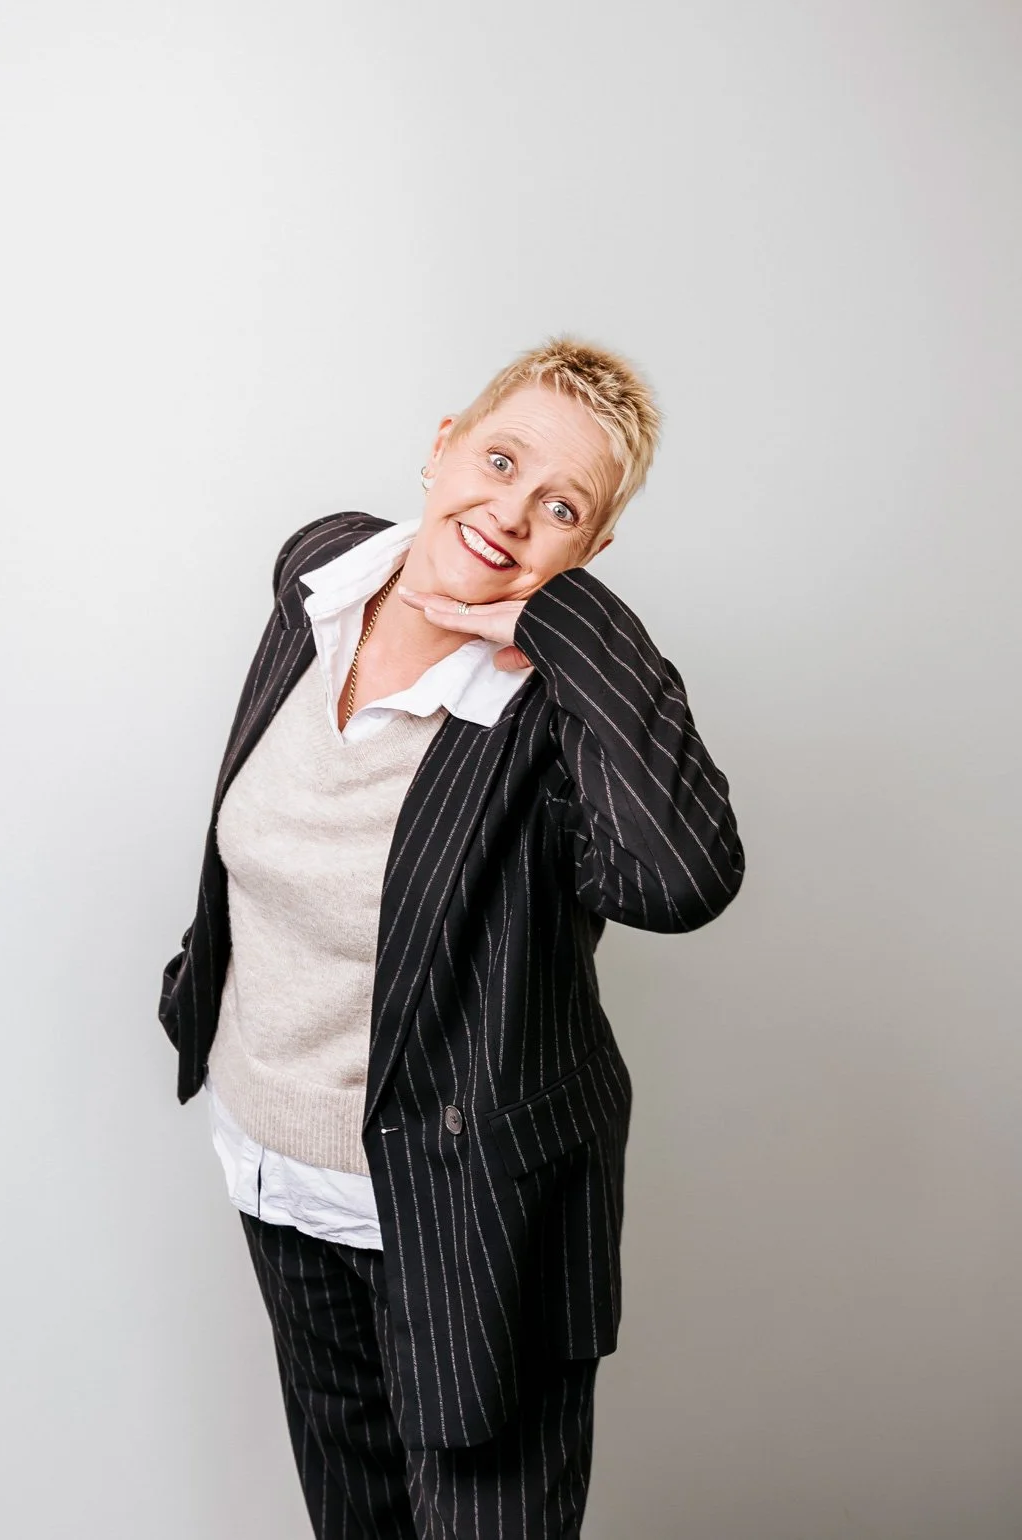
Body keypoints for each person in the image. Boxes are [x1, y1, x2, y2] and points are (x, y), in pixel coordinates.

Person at [158, 335, 745, 1538]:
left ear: (589, 552)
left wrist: (569, 628)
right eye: (500, 458)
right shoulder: (322, 576)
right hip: (279, 1175)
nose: (511, 511)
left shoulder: (554, 712)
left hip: (470, 1217)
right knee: (355, 1519)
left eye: (561, 506)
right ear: (440, 448)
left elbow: (683, 878)